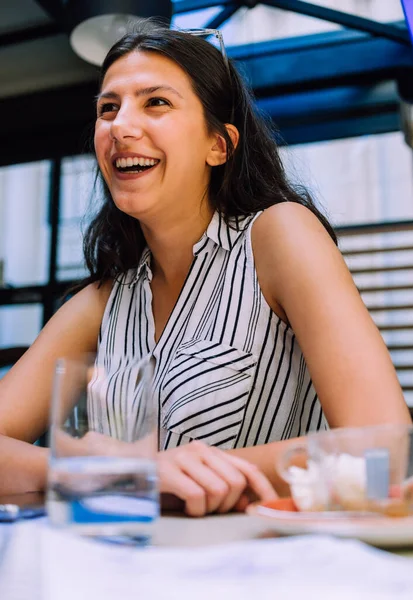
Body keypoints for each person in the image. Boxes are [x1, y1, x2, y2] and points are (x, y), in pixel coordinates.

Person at [0, 21, 410, 516]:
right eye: (108, 108)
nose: (120, 126)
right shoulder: (101, 300)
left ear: (220, 144)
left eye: (156, 102)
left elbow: (382, 451)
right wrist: (102, 473)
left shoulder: (278, 235)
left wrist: (162, 480)